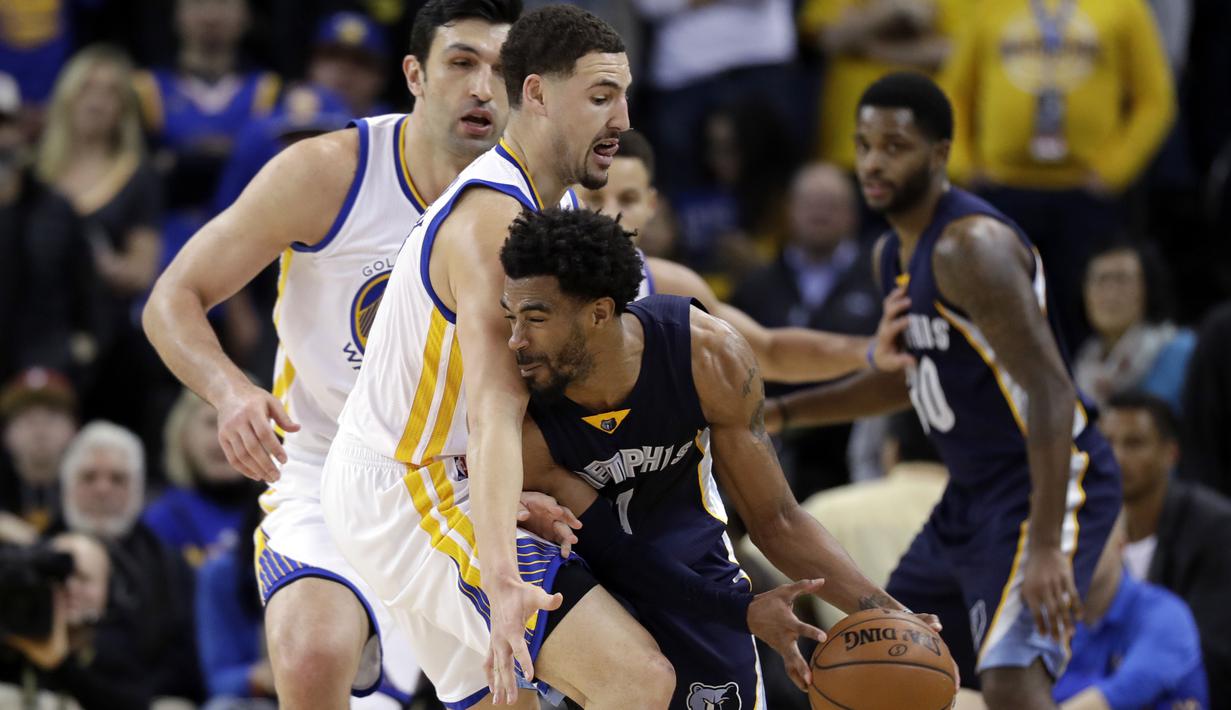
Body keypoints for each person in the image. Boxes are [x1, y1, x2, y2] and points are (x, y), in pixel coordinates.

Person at [143, 0, 567, 707]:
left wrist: (538, 473)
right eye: (461, 63)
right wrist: (229, 391)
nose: (480, 88)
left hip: (467, 479)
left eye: (500, 71)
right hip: (328, 465)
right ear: (415, 74)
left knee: (515, 692)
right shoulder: (327, 172)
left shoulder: (544, 203)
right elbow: (172, 297)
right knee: (311, 655)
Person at [320, 7, 682, 708]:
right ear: (537, 93)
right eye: (601, 97)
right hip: (412, 486)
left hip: (433, 473)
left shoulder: (549, 202)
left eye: (624, 96)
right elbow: (492, 407)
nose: (622, 120)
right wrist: (501, 575)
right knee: (637, 679)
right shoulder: (494, 222)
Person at [766, 72, 1121, 709]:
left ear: (939, 154)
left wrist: (1046, 546)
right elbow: (906, 377)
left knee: (1012, 683)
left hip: (1045, 482)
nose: (873, 163)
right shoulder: (891, 255)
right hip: (970, 494)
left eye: (894, 146)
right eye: (864, 145)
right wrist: (782, 413)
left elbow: (1051, 390)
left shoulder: (971, 247)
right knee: (892, 651)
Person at [500, 208, 939, 709]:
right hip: (588, 588)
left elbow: (777, 519)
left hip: (696, 564)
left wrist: (888, 614)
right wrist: (743, 611)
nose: (515, 341)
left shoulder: (705, 354)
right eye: (510, 318)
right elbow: (616, 550)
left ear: (599, 313)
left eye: (535, 320)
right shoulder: (519, 407)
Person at [942, 0, 1174, 348]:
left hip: (1086, 198)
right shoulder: (988, 6)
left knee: (1084, 324)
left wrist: (1113, 171)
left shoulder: (1124, 7)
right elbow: (953, 91)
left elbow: (1155, 98)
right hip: (1002, 193)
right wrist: (965, 166)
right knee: (995, 321)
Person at [35, 44, 168, 453]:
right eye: (87, 89)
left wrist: (98, 264)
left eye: (111, 92)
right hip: (35, 331)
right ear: (67, 98)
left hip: (107, 340)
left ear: (124, 108)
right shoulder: (35, 171)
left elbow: (142, 270)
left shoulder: (137, 175)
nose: (97, 101)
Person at [57, 421, 203, 706]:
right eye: (88, 477)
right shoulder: (35, 551)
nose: (102, 489)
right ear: (67, 486)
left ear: (138, 490)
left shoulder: (170, 566)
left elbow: (185, 665)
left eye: (118, 479)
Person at [1100, 391, 1231, 708]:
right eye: (1107, 442)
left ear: (1170, 453)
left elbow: (1212, 650)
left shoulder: (1216, 528)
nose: (1116, 457)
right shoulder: (1086, 525)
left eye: (1134, 443)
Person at [1053, 517, 1208, 710]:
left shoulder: (1166, 616)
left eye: (1089, 538)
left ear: (1122, 544)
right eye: (1067, 541)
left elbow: (1118, 695)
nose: (1076, 550)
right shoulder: (1056, 619)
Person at [1074, 243, 1194, 412]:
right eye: (1100, 280)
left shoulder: (1183, 352)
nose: (1110, 294)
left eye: (1122, 280)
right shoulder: (1081, 367)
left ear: (1149, 287)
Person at [144, 388, 256, 567]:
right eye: (212, 423)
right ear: (183, 435)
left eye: (240, 423)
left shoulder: (281, 511)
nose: (225, 436)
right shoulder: (162, 520)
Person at [0, 368, 79, 541]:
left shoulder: (93, 486)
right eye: (28, 419)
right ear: (6, 433)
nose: (40, 431)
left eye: (52, 417)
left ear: (73, 429)